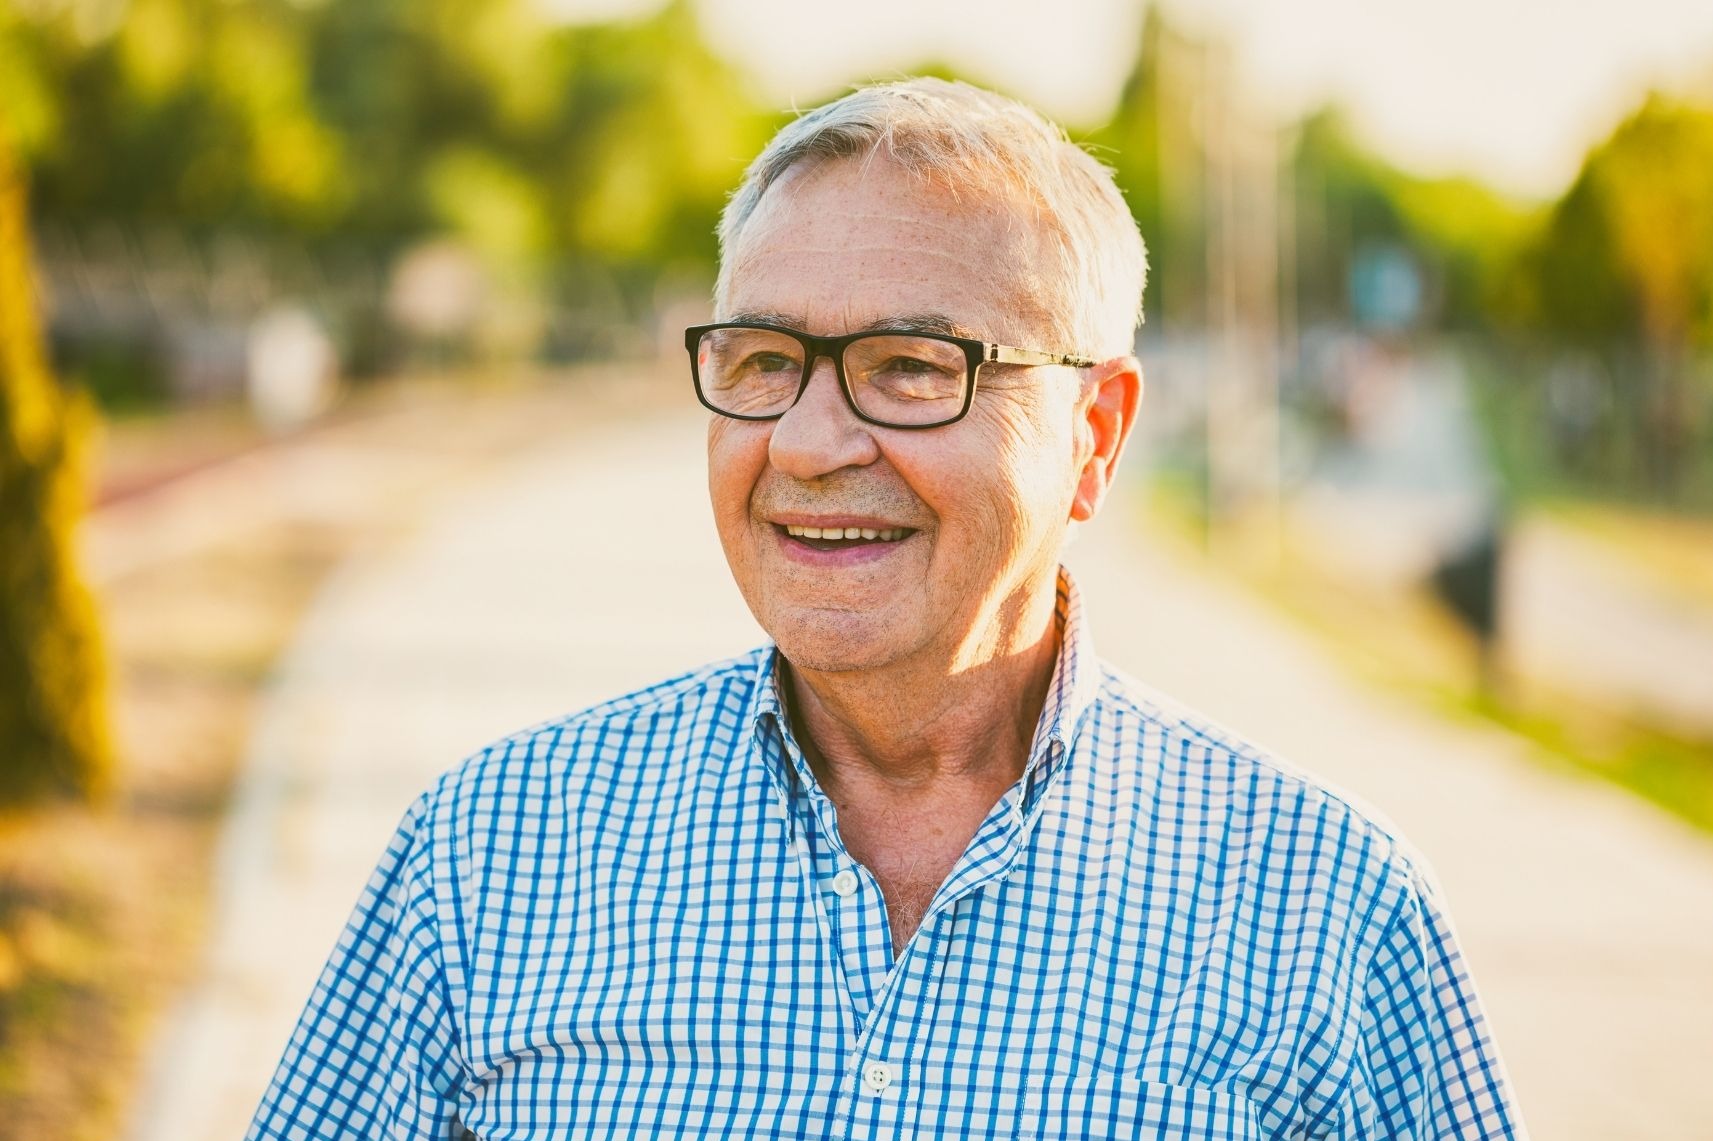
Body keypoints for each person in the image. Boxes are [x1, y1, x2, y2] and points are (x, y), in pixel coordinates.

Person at [247, 79, 1525, 1140]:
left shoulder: (1323, 912)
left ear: (1096, 434)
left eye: (912, 368)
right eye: (761, 361)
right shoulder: (488, 856)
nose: (806, 441)